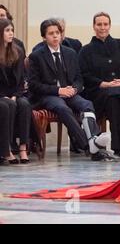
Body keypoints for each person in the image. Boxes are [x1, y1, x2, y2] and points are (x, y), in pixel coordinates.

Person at [28, 19, 112, 161]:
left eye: (57, 33)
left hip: (69, 92)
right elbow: (34, 85)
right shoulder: (37, 56)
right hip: (49, 95)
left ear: (61, 35)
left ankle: (93, 140)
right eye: (51, 34)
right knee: (62, 108)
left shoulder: (70, 53)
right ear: (44, 37)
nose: (55, 36)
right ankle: (88, 145)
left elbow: (79, 78)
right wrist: (58, 90)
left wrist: (74, 89)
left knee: (86, 104)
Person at [79, 12, 120, 158]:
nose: (102, 27)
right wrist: (104, 84)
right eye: (99, 24)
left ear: (110, 25)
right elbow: (84, 75)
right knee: (113, 99)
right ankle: (117, 147)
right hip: (100, 91)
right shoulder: (86, 50)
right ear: (93, 26)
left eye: (105, 24)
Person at [0, 19, 32, 164]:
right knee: (7, 106)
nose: (11, 33)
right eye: (7, 30)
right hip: (1, 94)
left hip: (14, 93)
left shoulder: (17, 52)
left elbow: (20, 80)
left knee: (24, 104)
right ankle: (6, 150)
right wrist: (6, 96)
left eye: (12, 30)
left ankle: (23, 148)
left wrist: (14, 95)